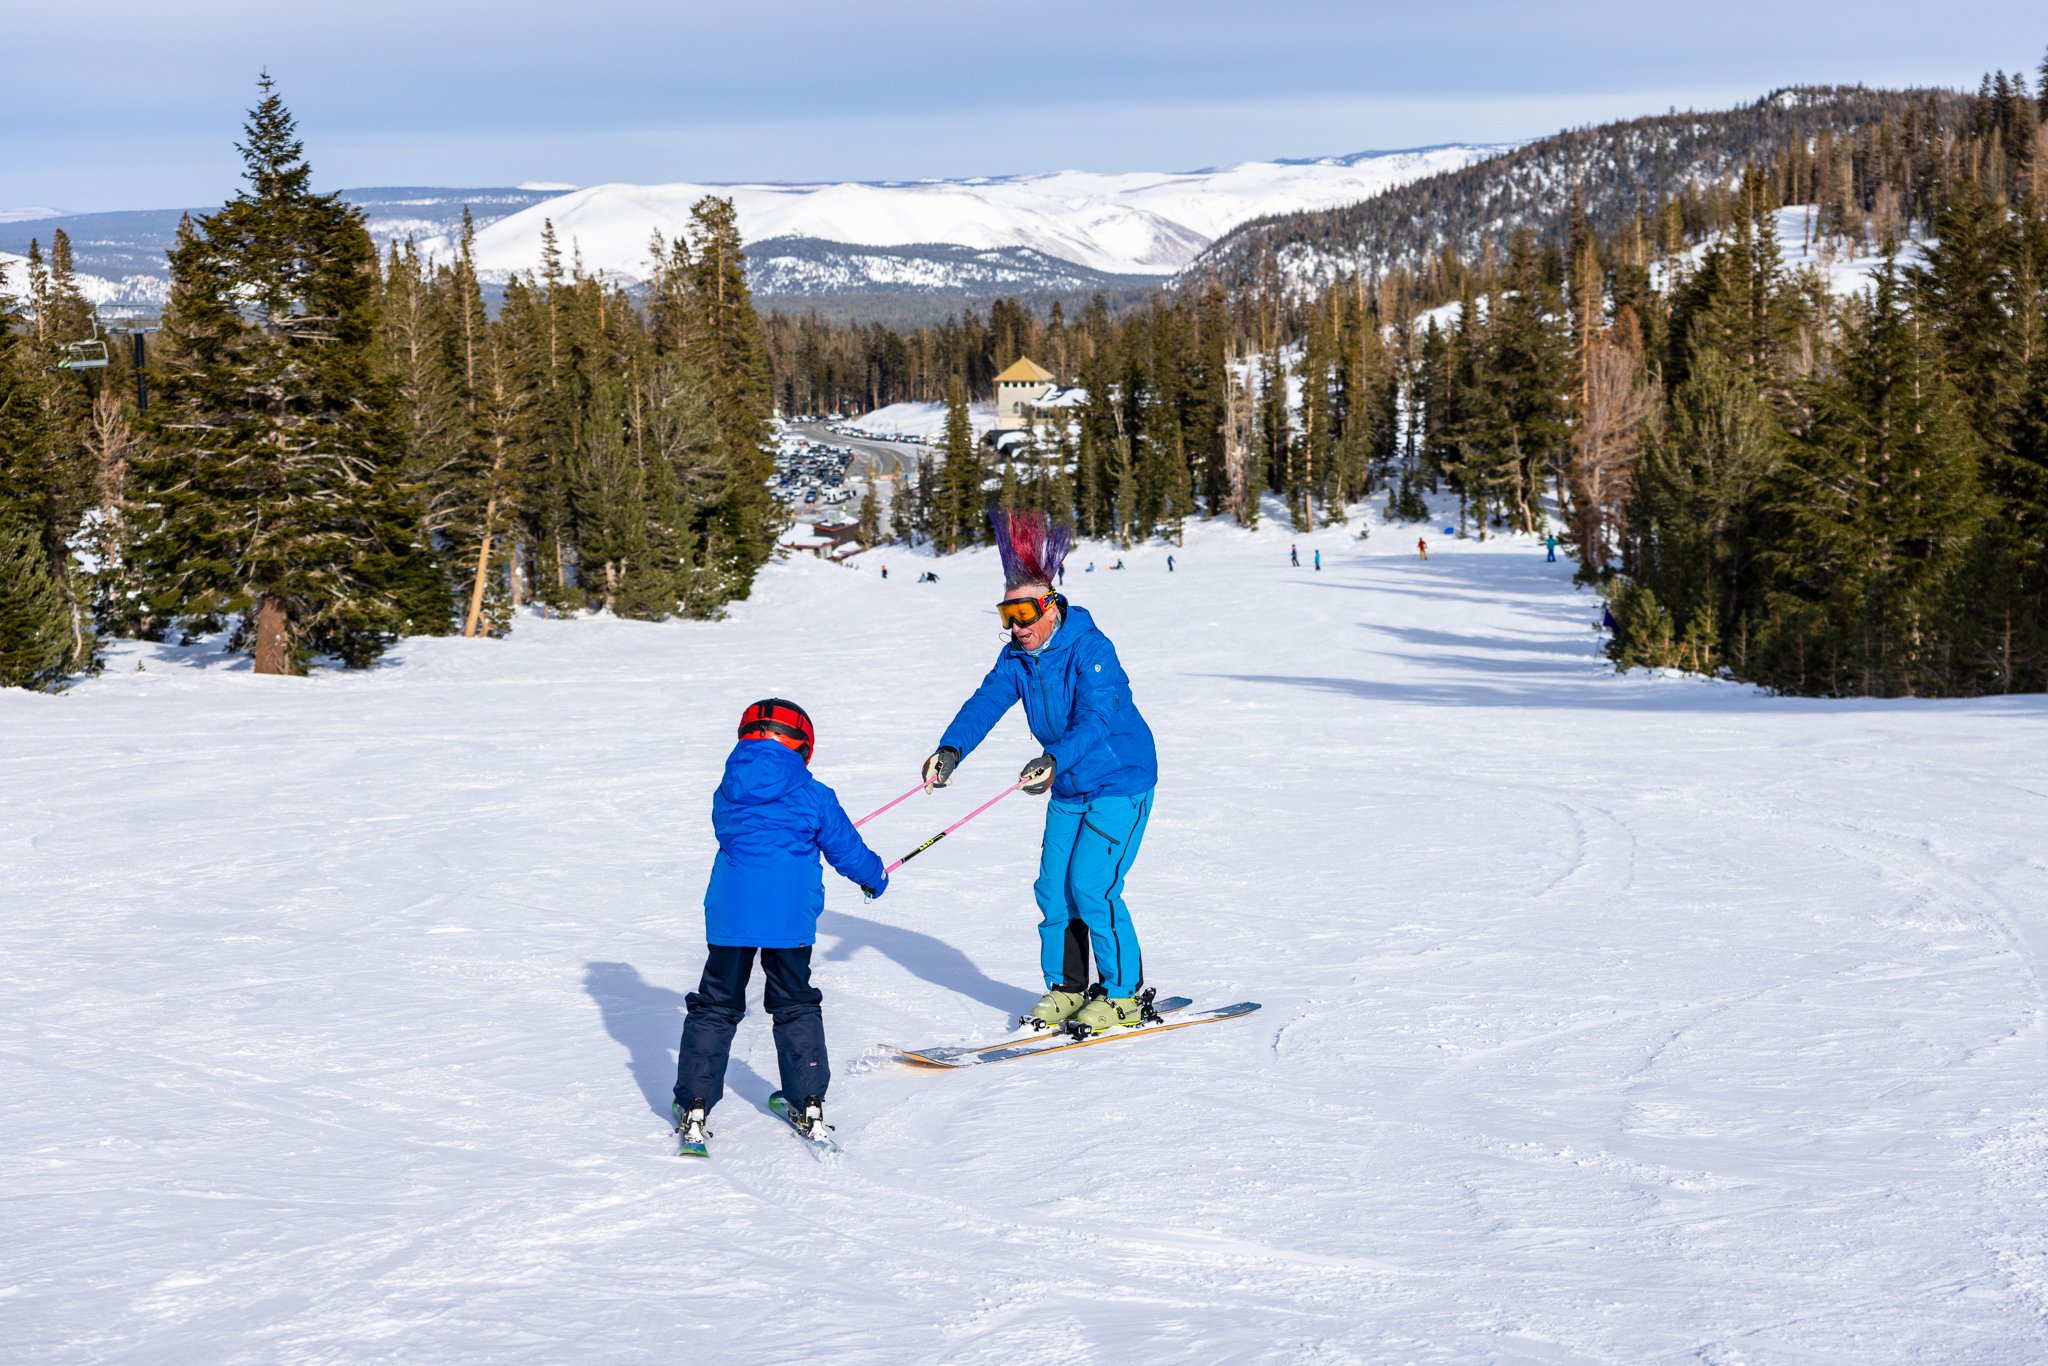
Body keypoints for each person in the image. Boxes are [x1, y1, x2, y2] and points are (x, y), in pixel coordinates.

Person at [921, 510, 1160, 1037]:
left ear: (1051, 607)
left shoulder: (1093, 650)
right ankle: (1069, 989)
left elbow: (1099, 719)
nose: (1018, 626)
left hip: (1119, 780)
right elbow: (984, 702)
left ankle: (1124, 995)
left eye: (1026, 613)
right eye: (1007, 615)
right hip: (1068, 784)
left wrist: (1053, 758)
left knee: (1092, 886)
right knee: (1054, 889)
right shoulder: (1018, 659)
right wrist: (952, 749)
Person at [673, 699, 886, 1154]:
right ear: (802, 744)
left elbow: (736, 834)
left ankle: (694, 1104)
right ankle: (807, 1102)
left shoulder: (727, 789)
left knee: (716, 1004)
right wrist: (874, 876)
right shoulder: (814, 794)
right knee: (794, 1002)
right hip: (789, 918)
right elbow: (846, 849)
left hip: (732, 916)